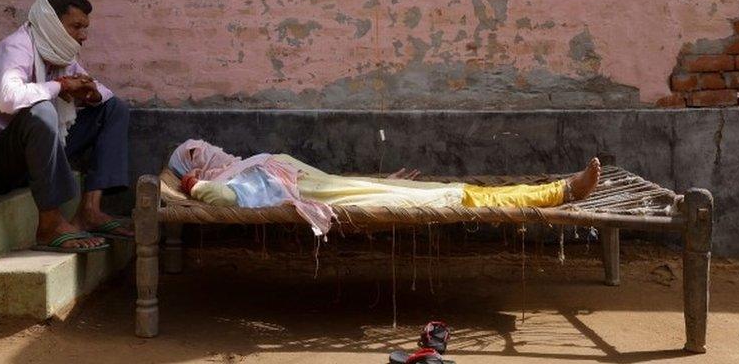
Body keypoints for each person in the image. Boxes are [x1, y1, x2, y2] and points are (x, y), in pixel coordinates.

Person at [169, 139, 602, 237]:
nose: (208, 147)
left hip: (353, 188)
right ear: (195, 168)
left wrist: (379, 181)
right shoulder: (234, 180)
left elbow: (325, 179)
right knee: (461, 195)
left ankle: (560, 189)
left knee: (455, 188)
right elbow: (226, 199)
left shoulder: (247, 163)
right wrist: (193, 187)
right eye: (195, 152)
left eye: (201, 143)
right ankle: (561, 192)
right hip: (349, 200)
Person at [0, 0, 133, 253]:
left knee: (113, 108)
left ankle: (90, 210)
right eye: (76, 27)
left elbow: (98, 89)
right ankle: (50, 224)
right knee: (42, 111)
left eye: (84, 28)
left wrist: (89, 95)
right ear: (51, 23)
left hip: (41, 153)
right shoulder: (16, 48)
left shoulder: (59, 53)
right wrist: (61, 87)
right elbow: (8, 98)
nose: (83, 36)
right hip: (0, 162)